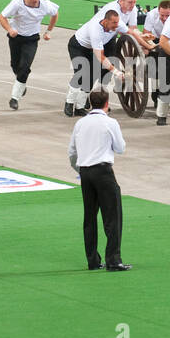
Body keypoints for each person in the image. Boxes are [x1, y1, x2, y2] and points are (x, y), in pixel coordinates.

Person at [68, 89, 129, 271]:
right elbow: (120, 148)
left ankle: (92, 260)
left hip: (85, 173)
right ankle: (113, 259)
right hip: (103, 172)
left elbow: (72, 151)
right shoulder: (110, 122)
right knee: (112, 216)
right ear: (107, 103)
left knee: (90, 217)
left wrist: (80, 169)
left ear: (90, 103)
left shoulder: (80, 123)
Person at [0, 0, 59, 109]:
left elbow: (55, 14)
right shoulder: (17, 3)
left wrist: (48, 31)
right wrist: (10, 29)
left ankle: (15, 98)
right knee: (15, 65)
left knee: (25, 66)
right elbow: (2, 17)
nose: (36, 0)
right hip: (16, 37)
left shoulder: (44, 4)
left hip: (31, 39)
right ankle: (21, 84)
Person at [65, 8, 121, 115]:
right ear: (105, 21)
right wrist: (116, 72)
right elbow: (101, 57)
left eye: (117, 23)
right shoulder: (96, 30)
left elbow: (129, 31)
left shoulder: (115, 24)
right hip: (78, 46)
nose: (116, 25)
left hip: (91, 49)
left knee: (90, 76)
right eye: (114, 23)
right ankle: (69, 102)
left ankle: (79, 107)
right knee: (81, 74)